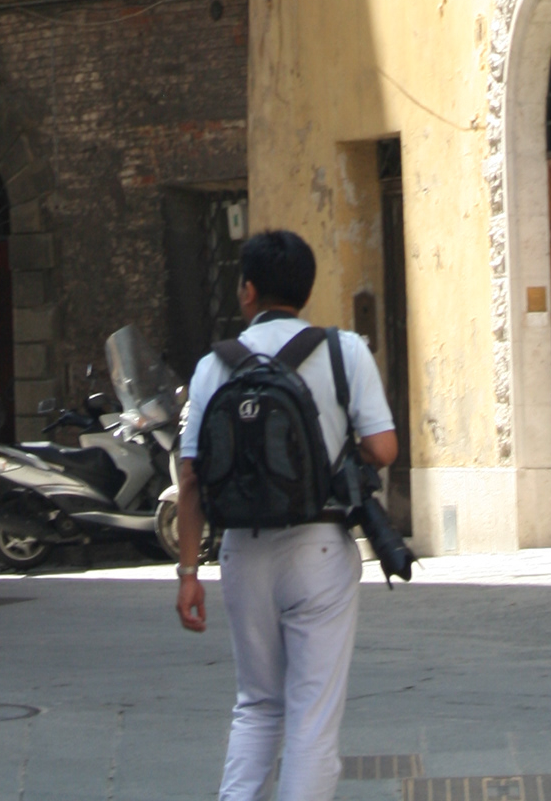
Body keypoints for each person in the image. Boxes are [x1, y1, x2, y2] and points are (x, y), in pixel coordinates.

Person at [174, 228, 398, 801]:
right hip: (320, 548)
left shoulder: (213, 366)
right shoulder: (345, 351)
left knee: (256, 705)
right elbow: (384, 449)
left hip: (243, 552)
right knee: (311, 718)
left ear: (247, 291)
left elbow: (192, 475)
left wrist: (188, 573)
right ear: (306, 289)